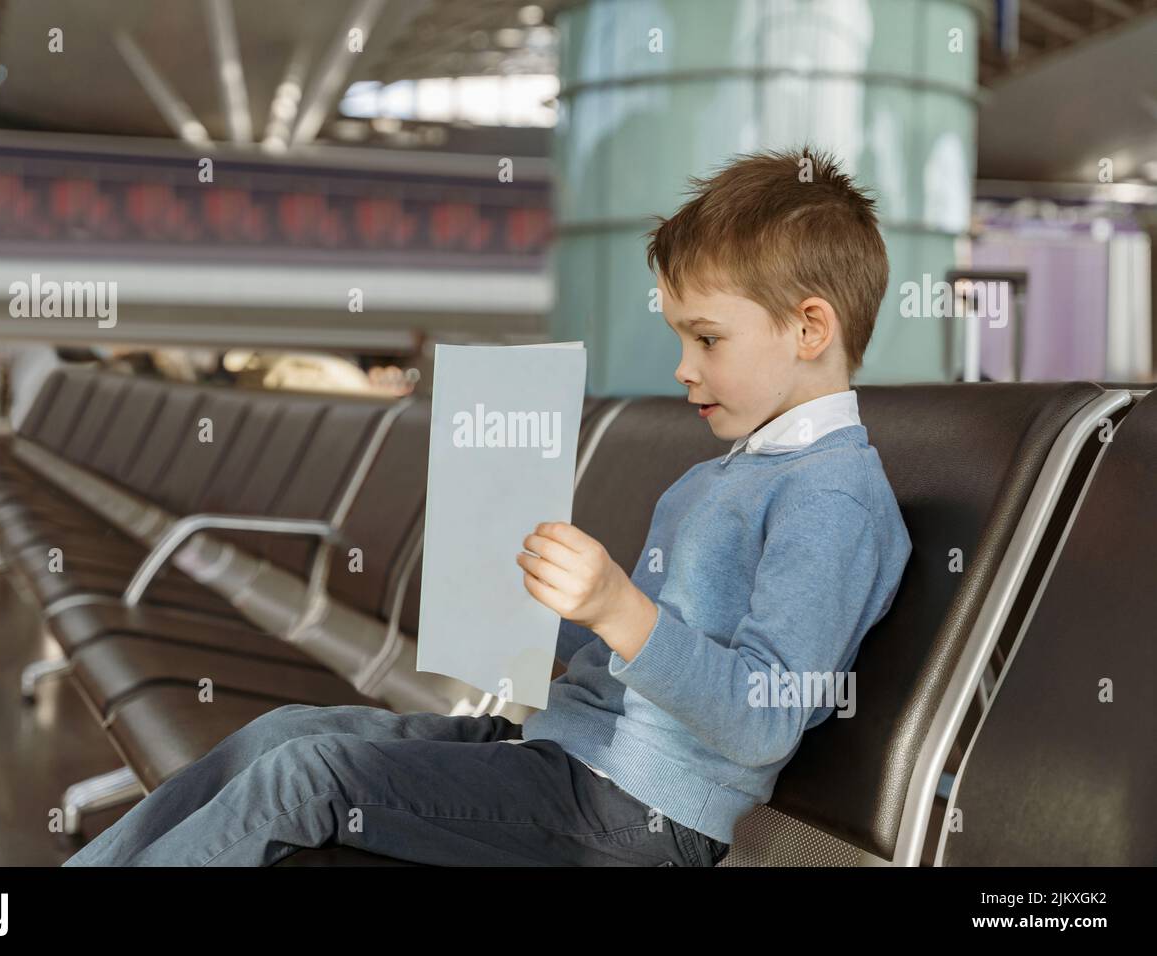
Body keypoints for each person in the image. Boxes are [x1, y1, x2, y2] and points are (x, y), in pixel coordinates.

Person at [65, 146, 913, 867]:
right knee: (283, 733)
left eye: (706, 338)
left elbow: (763, 719)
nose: (683, 368)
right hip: (565, 756)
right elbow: (638, 655)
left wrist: (619, 610)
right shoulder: (719, 475)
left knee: (310, 779)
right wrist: (535, 617)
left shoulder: (831, 497)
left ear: (810, 329)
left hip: (643, 816)